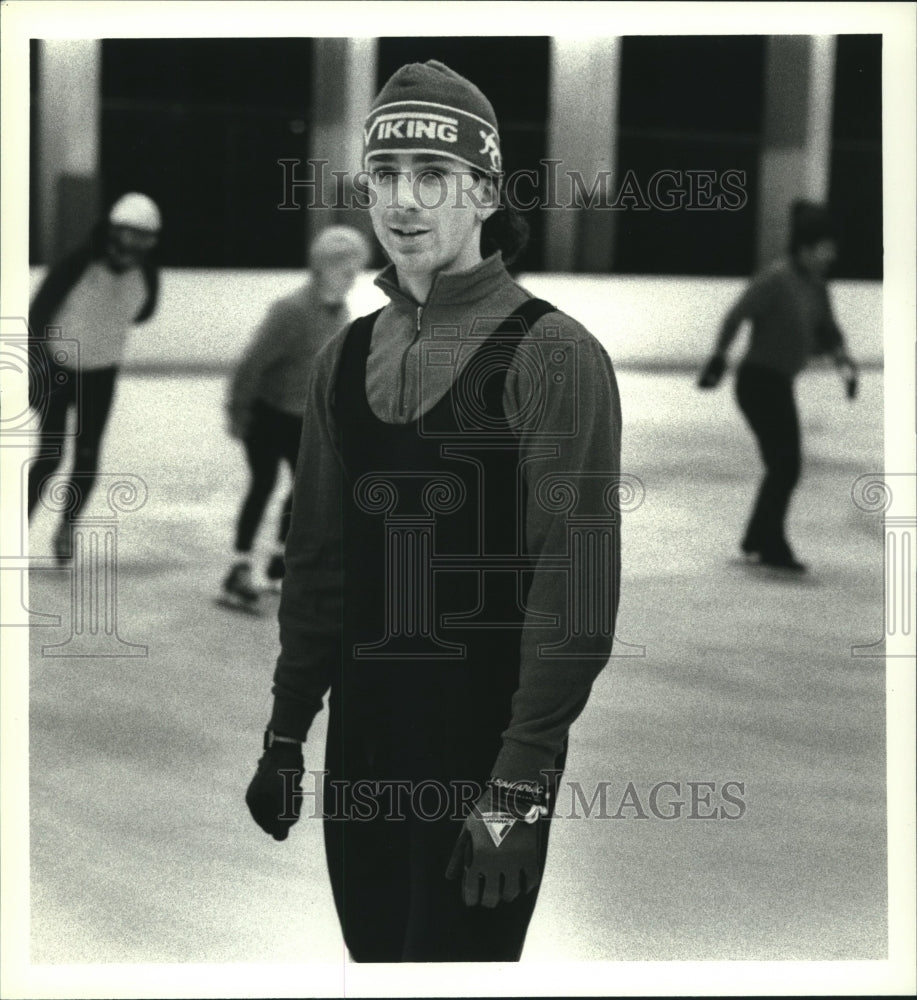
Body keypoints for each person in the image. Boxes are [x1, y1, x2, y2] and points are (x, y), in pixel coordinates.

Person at [245, 60, 623, 962]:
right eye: (383, 177)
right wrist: (287, 731)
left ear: (485, 191)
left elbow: (572, 593)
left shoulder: (555, 355)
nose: (402, 202)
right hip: (366, 756)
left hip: (484, 759)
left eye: (432, 177)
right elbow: (320, 563)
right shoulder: (344, 357)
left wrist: (519, 792)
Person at [697, 200, 859, 573]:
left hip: (780, 383)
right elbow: (736, 315)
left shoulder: (816, 286)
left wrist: (844, 364)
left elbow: (828, 331)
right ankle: (770, 543)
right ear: (805, 248)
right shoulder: (776, 278)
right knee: (786, 464)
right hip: (757, 382)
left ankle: (758, 536)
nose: (831, 255)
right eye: (825, 248)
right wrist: (719, 357)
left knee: (782, 464)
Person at [222, 226, 370, 610]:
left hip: (304, 417)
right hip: (267, 414)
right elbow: (252, 365)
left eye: (355, 268)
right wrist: (238, 411)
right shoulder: (291, 311)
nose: (352, 275)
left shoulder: (340, 313)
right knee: (264, 483)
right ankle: (238, 568)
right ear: (322, 267)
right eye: (344, 267)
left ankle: (278, 562)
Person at [28, 193, 162, 559]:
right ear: (113, 232)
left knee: (87, 457)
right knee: (50, 456)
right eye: (131, 237)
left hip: (100, 375)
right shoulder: (78, 263)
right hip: (55, 369)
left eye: (145, 240)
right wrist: (39, 366)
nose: (136, 248)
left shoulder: (147, 272)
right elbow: (38, 312)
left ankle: (67, 526)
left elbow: (144, 311)